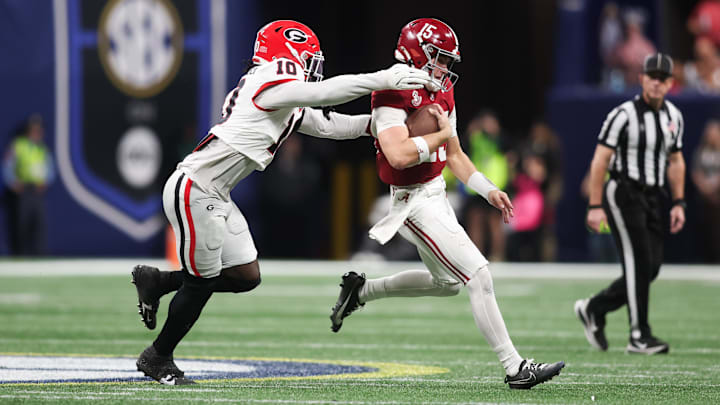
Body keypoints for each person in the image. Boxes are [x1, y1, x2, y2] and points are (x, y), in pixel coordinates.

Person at [130, 19, 433, 385]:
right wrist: (384, 78)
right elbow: (328, 94)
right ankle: (158, 356)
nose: (311, 67)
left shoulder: (279, 96)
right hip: (196, 188)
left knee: (245, 276)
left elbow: (331, 125)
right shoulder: (268, 80)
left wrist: (385, 124)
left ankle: (159, 281)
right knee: (200, 284)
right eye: (307, 58)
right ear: (286, 55)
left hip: (216, 192)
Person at [329, 18, 564, 390]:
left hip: (435, 190)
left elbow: (453, 153)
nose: (444, 68)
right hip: (411, 201)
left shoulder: (440, 91)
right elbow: (398, 155)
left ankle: (361, 291)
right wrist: (440, 133)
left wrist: (487, 189)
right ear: (416, 54)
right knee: (478, 275)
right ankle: (515, 367)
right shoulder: (391, 92)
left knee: (447, 284)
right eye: (438, 58)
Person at [576, 53, 686, 355]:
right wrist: (595, 205)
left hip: (652, 196)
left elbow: (676, 160)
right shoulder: (623, 114)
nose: (656, 82)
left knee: (650, 268)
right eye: (652, 76)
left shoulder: (673, 116)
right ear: (641, 79)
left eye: (663, 78)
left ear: (670, 83)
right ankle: (639, 335)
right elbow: (601, 160)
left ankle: (594, 308)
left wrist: (678, 201)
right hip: (622, 192)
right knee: (638, 262)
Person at [2, 114, 55, 255]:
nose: (38, 133)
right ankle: (20, 254)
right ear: (28, 130)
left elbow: (49, 168)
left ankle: (38, 254)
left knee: (38, 224)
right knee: (21, 224)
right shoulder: (19, 145)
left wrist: (46, 181)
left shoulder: (41, 148)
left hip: (36, 190)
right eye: (34, 130)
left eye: (39, 130)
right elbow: (8, 166)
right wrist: (13, 182)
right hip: (22, 191)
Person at [691, 120, 720, 262]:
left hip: (718, 197)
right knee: (706, 232)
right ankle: (708, 259)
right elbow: (696, 172)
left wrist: (713, 186)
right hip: (704, 200)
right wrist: (705, 187)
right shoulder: (701, 152)